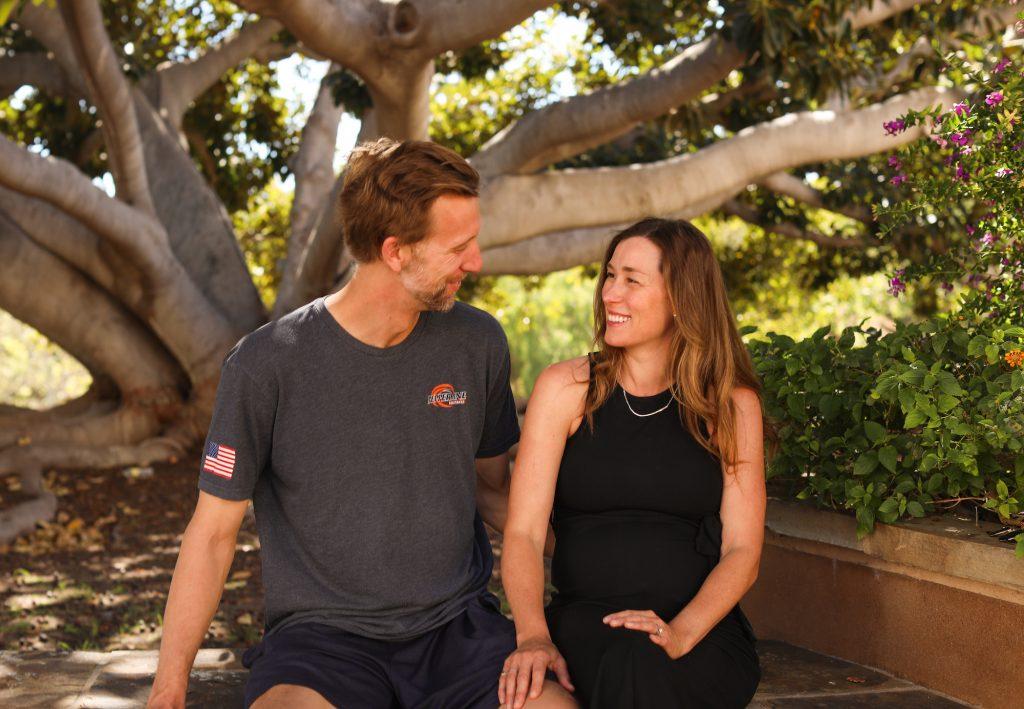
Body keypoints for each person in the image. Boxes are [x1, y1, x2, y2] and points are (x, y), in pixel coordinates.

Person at [147, 138, 570, 709]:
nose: (476, 262)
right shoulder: (266, 364)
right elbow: (212, 535)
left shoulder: (477, 342)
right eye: (459, 247)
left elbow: (492, 491)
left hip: (458, 632)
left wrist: (607, 560)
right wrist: (168, 690)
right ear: (395, 251)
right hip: (322, 643)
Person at [499, 218, 774, 708]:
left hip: (699, 630)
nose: (610, 293)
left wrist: (680, 632)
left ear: (682, 297)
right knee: (629, 663)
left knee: (644, 664)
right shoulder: (566, 389)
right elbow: (523, 533)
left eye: (632, 279)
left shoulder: (729, 404)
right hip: (588, 622)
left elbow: (741, 551)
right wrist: (532, 636)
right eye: (609, 276)